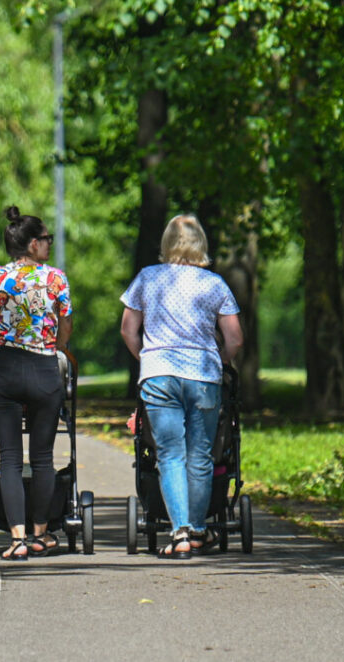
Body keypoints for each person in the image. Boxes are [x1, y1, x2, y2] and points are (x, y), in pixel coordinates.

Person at [119, 213, 244, 560]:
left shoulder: (147, 278)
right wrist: (217, 359)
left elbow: (129, 330)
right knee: (201, 455)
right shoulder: (214, 284)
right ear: (200, 244)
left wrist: (146, 356)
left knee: (169, 454)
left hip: (159, 373)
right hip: (203, 375)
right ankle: (200, 530)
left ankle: (180, 534)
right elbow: (234, 338)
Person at [0, 205, 72, 560]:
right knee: (43, 457)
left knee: (9, 458)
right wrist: (55, 345)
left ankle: (16, 539)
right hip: (43, 369)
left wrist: (3, 342)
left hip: (4, 369)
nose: (49, 244)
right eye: (46, 239)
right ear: (33, 245)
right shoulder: (56, 279)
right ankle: (40, 533)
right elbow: (65, 328)